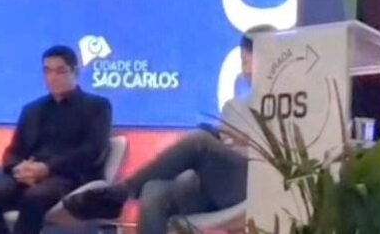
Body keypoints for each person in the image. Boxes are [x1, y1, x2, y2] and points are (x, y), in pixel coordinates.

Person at [63, 25, 276, 234]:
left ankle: (122, 191)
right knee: (154, 191)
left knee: (199, 141)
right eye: (242, 61)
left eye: (249, 61)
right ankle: (123, 192)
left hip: (261, 184)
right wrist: (219, 141)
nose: (245, 70)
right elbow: (224, 153)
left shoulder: (289, 104)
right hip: (220, 186)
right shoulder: (234, 107)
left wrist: (247, 143)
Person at [0, 45, 112, 234]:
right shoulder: (32, 110)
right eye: (47, 71)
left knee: (34, 197)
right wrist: (18, 168)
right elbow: (13, 150)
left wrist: (47, 168)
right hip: (27, 177)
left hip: (69, 177)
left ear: (75, 71)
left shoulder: (97, 106)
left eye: (60, 71)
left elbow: (93, 150)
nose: (52, 77)